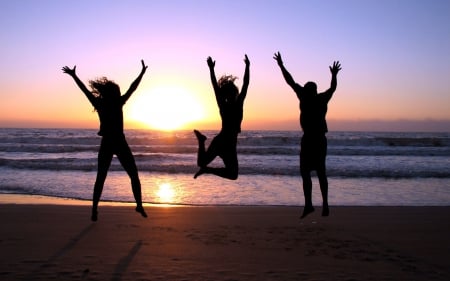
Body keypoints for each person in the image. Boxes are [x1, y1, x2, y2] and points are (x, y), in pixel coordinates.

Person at [62, 60, 148, 221]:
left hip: (109, 142)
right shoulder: (117, 102)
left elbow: (85, 91)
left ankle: (95, 210)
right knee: (132, 175)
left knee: (102, 177)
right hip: (118, 142)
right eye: (117, 90)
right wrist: (142, 73)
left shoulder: (101, 103)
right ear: (114, 92)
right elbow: (133, 88)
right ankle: (138, 205)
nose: (119, 91)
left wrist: (74, 76)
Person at [274, 52, 341, 218]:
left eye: (305, 88)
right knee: (320, 171)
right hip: (318, 139)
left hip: (311, 139)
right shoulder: (321, 98)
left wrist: (281, 65)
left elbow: (290, 81)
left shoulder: (305, 96)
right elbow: (332, 88)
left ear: (308, 90)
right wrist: (333, 75)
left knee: (307, 172)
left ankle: (311, 204)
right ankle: (321, 204)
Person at [193, 55, 250, 180]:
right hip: (227, 143)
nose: (235, 94)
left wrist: (212, 69)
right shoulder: (234, 104)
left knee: (205, 164)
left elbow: (244, 85)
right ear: (233, 93)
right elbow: (245, 85)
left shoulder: (225, 104)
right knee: (232, 174)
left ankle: (202, 144)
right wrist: (247, 67)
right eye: (233, 93)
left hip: (223, 141)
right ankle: (202, 143)